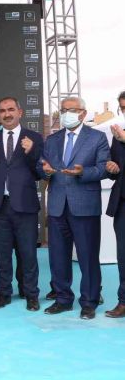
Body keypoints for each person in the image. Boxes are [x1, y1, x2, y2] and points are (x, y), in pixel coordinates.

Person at [39, 96, 109, 320]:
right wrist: (44, 171)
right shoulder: (52, 140)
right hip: (57, 206)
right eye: (63, 110)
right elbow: (42, 167)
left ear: (83, 113)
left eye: (71, 110)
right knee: (58, 257)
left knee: (88, 257)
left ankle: (89, 302)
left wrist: (83, 172)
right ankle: (63, 299)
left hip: (85, 206)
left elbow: (104, 169)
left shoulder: (97, 138)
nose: (66, 114)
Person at [0, 97, 42, 312]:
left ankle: (31, 294)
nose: (7, 114)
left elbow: (41, 171)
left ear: (20, 112)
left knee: (28, 254)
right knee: (1, 254)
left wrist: (31, 151)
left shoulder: (34, 138)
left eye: (11, 109)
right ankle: (4, 293)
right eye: (3, 110)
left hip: (25, 205)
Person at [105, 91, 125, 318]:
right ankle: (123, 301)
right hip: (122, 204)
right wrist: (112, 168)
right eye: (123, 108)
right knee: (123, 256)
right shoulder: (117, 135)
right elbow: (114, 170)